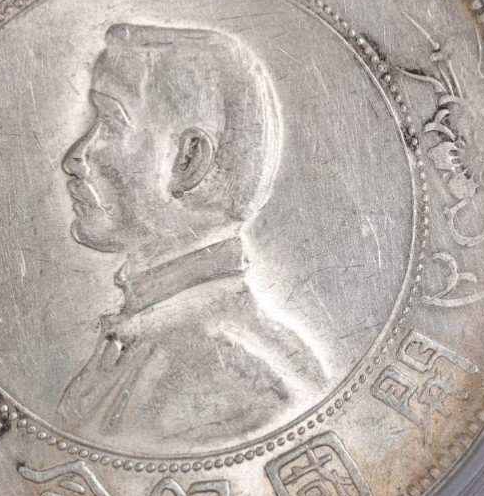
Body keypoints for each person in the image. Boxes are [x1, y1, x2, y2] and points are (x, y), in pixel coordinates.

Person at [57, 23, 325, 447]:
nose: (75, 157)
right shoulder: (153, 341)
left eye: (109, 123)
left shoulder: (227, 381)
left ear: (188, 160)